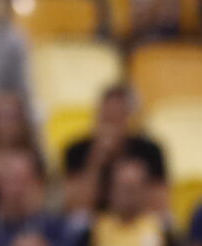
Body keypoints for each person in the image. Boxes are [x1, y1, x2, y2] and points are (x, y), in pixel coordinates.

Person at [59, 84, 168, 212]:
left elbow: (160, 205)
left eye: (118, 118)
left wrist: (130, 181)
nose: (112, 128)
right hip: (93, 219)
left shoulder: (149, 151)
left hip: (137, 218)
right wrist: (95, 161)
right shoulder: (76, 150)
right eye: (107, 118)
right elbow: (74, 206)